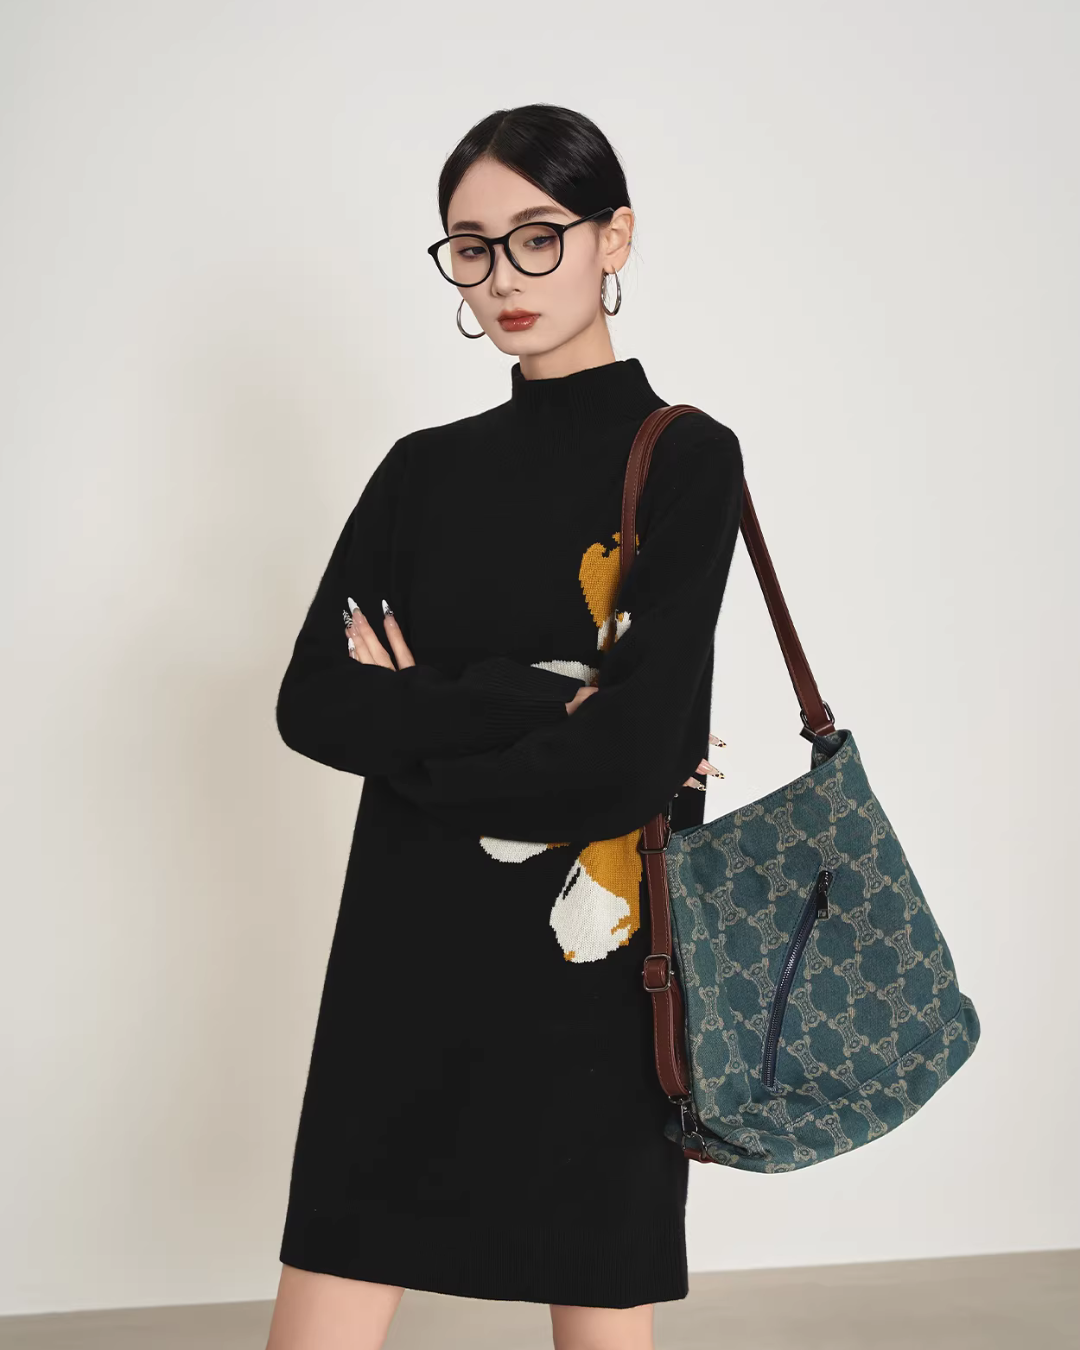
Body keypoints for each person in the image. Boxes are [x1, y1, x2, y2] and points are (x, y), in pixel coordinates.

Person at [264, 102, 745, 1350]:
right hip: (402, 962)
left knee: (598, 1297)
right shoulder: (419, 471)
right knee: (330, 1284)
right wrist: (543, 698)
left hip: (594, 974)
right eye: (471, 248)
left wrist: (415, 718)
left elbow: (631, 763)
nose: (503, 279)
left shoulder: (686, 459)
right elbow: (313, 704)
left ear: (613, 238)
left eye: (539, 237)